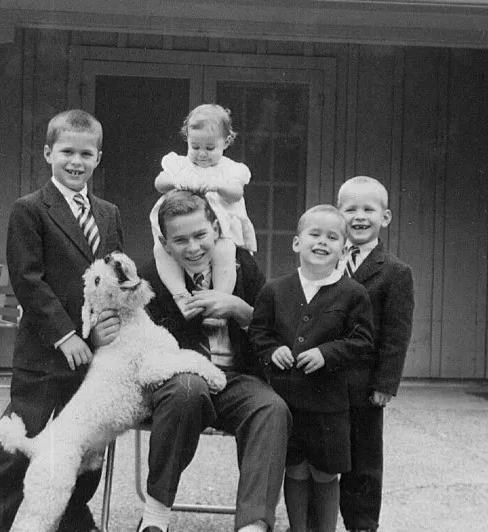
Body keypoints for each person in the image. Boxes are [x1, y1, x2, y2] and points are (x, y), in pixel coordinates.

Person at [0, 109, 124, 532]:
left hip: (95, 353)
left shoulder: (108, 213)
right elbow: (28, 279)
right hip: (46, 350)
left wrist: (108, 331)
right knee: (16, 444)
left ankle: (71, 519)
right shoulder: (31, 209)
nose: (76, 162)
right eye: (67, 152)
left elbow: (114, 276)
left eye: (86, 154)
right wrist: (66, 335)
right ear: (48, 153)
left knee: (84, 446)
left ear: (98, 158)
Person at [136, 189, 290, 532]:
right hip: (181, 376)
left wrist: (239, 309)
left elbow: (271, 330)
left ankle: (254, 523)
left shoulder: (242, 266)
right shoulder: (151, 277)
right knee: (186, 390)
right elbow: (146, 346)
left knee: (271, 408)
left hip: (236, 376)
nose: (192, 248)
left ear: (216, 230)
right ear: (164, 242)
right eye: (180, 240)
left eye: (200, 235)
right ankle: (156, 517)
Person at [249, 205, 374, 532]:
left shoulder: (353, 293)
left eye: (332, 237)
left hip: (328, 404)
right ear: (296, 242)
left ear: (343, 249)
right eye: (314, 234)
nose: (322, 242)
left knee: (325, 471)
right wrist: (272, 350)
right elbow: (259, 333)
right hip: (287, 401)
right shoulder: (275, 289)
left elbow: (362, 341)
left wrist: (328, 353)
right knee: (295, 468)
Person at [336, 176, 415, 532]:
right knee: (317, 456)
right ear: (339, 215)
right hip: (322, 378)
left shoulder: (395, 272)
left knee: (363, 461)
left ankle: (362, 525)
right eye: (350, 209)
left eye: (369, 209)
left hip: (365, 384)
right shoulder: (325, 259)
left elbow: (396, 335)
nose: (359, 216)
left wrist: (386, 383)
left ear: (385, 218)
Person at [149, 104, 257, 325]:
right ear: (187, 139)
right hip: (181, 217)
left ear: (226, 143)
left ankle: (219, 301)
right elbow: (159, 183)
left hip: (222, 226)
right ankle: (180, 296)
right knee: (161, 251)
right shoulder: (179, 164)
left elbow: (236, 193)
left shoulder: (230, 169)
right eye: (195, 146)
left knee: (225, 252)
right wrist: (175, 181)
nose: (201, 154)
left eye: (209, 147)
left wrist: (217, 185)